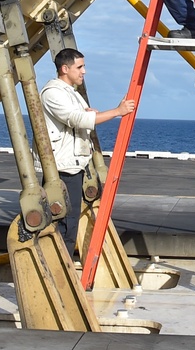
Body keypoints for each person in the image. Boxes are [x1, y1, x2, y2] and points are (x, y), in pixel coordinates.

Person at [40, 48, 135, 257]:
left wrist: (93, 113)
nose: (84, 71)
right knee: (65, 222)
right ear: (65, 69)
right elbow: (78, 119)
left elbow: (84, 116)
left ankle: (61, 264)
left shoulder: (70, 93)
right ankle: (59, 267)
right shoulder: (53, 92)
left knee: (69, 220)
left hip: (74, 165)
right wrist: (118, 112)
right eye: (80, 67)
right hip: (63, 168)